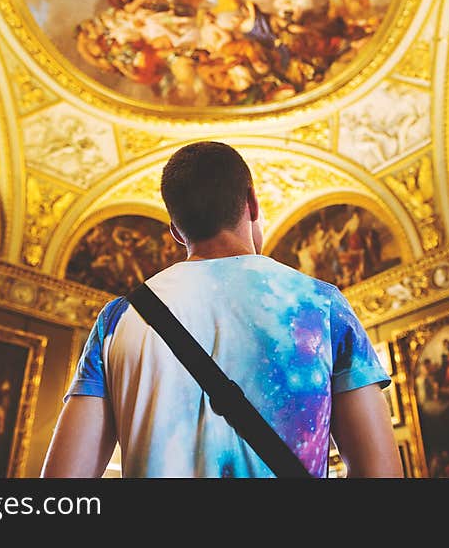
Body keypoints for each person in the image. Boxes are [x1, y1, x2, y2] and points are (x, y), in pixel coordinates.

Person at [41, 141, 401, 478]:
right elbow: (381, 473)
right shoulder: (322, 304)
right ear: (253, 203)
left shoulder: (118, 319)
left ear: (176, 231)